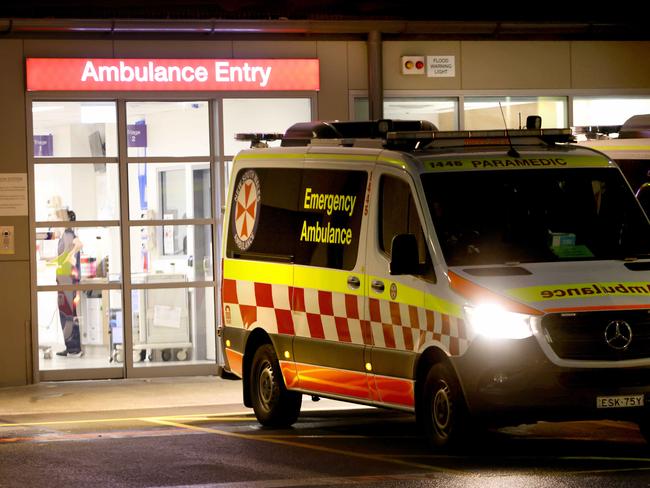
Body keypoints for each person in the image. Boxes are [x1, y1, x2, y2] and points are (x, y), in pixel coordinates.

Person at [53, 209, 84, 357]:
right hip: (64, 281)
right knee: (65, 314)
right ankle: (70, 346)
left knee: (68, 314)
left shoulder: (69, 234)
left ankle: (74, 348)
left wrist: (69, 255)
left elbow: (79, 244)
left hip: (69, 281)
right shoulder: (63, 236)